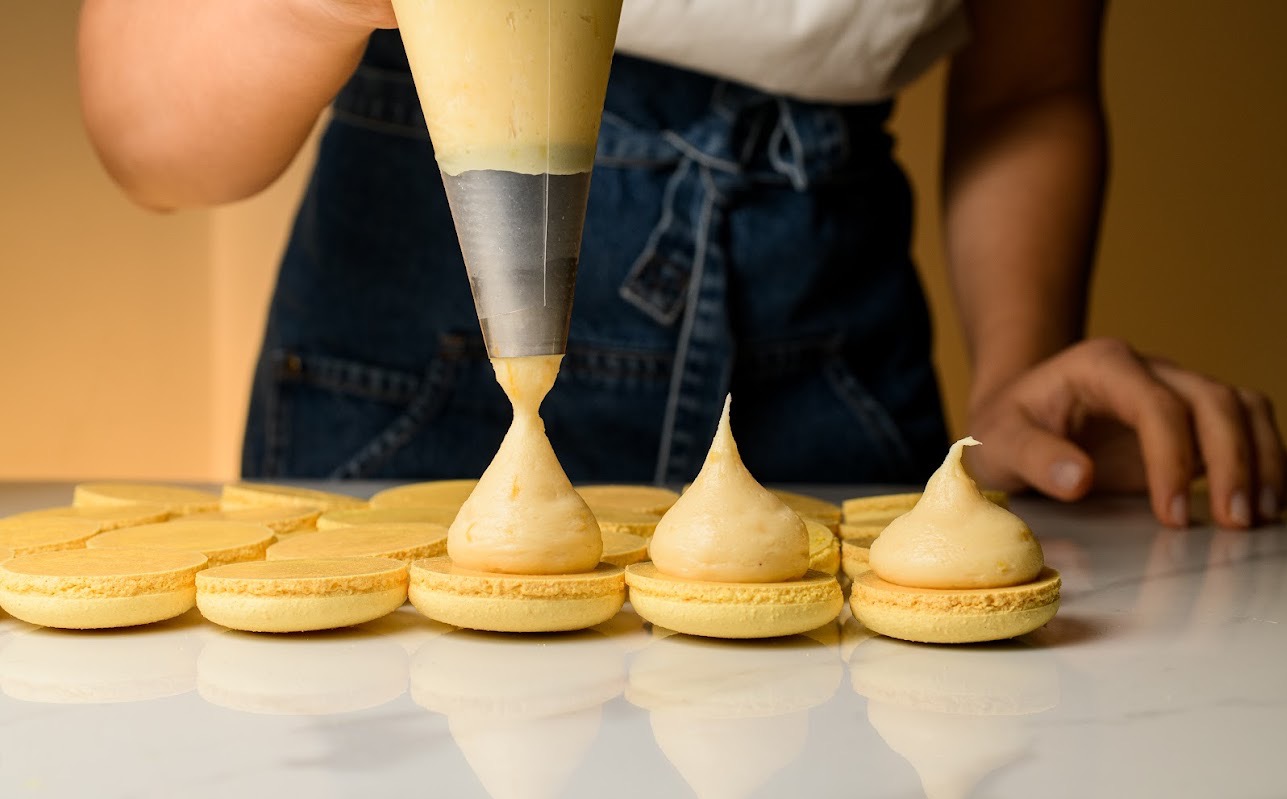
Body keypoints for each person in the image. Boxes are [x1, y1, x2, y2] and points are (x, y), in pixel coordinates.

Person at [78, 0, 1284, 530]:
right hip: (407, 366)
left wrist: (1018, 373)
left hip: (834, 353)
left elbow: (1030, 84)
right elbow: (146, 138)